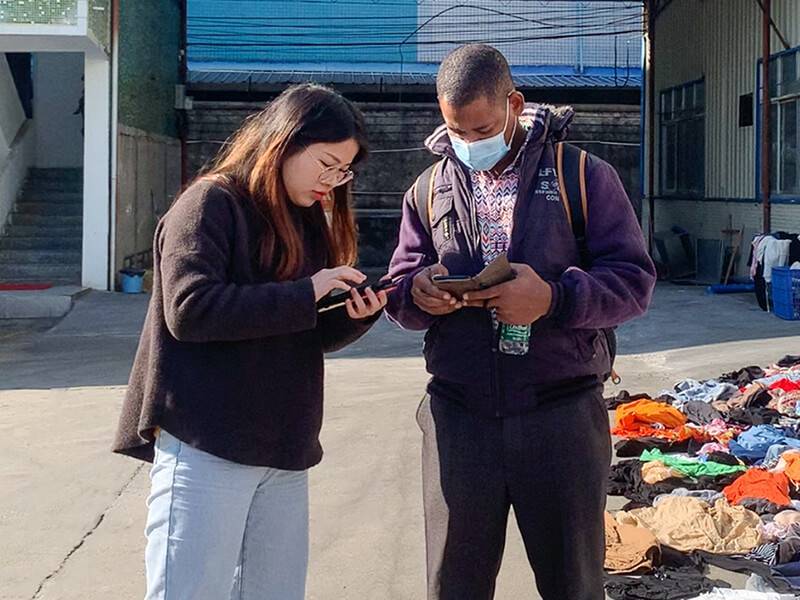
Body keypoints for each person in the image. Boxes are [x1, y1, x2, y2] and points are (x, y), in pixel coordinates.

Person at [386, 44, 656, 600]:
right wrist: (418, 294)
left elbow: (633, 283)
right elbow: (399, 286)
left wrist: (554, 299)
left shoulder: (582, 175)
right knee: (453, 583)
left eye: (480, 128)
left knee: (572, 584)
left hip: (559, 416)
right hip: (459, 419)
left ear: (515, 103)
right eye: (455, 131)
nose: (468, 144)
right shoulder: (427, 188)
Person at [112, 83, 386, 600]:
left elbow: (295, 327)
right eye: (326, 163)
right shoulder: (210, 202)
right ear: (284, 142)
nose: (333, 181)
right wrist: (305, 292)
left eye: (343, 171)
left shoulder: (303, 215)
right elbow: (190, 310)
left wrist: (352, 316)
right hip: (207, 443)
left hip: (282, 450)